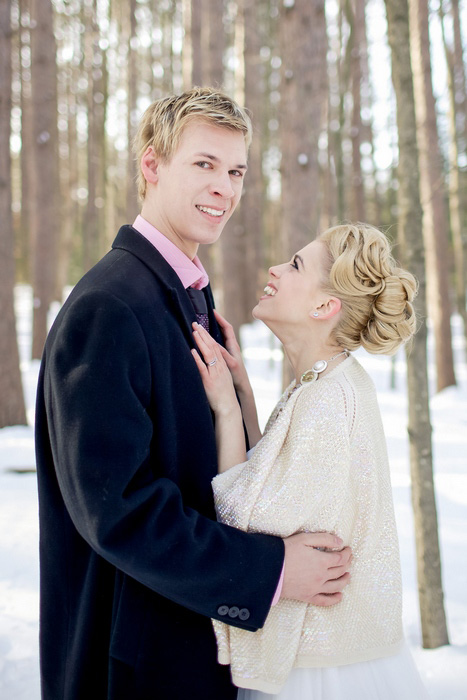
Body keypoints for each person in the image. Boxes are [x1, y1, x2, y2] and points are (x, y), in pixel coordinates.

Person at [34, 87, 352, 700]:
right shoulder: (109, 305)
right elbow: (119, 511)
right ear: (151, 166)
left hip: (187, 653)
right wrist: (275, 570)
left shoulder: (186, 297)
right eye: (204, 165)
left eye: (235, 171)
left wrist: (243, 411)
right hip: (129, 664)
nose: (225, 189)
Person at [192, 222, 431, 699]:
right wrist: (242, 392)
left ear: (325, 306)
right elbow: (276, 476)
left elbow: (244, 516)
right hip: (337, 653)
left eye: (296, 264)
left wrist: (223, 409)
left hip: (319, 673)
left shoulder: (326, 400)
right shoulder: (330, 382)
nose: (275, 269)